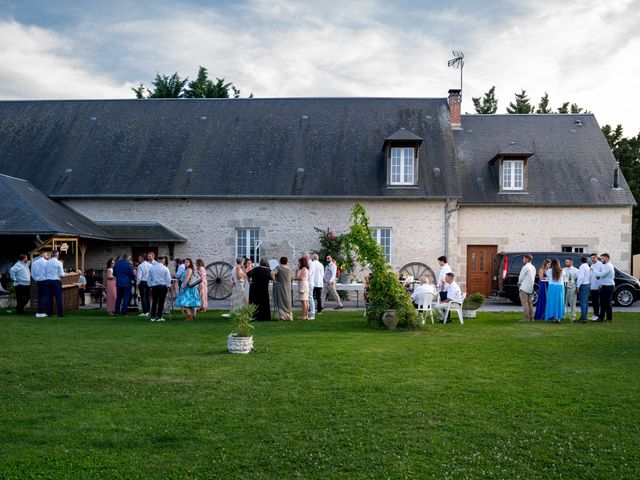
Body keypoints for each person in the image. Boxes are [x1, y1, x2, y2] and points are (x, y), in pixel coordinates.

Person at [149, 256, 171, 322]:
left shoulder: (152, 268)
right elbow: (168, 279)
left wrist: (150, 285)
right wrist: (168, 286)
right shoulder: (165, 268)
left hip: (154, 286)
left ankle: (153, 317)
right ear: (163, 261)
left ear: (158, 260)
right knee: (161, 302)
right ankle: (159, 317)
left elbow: (149, 278)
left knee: (154, 301)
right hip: (162, 286)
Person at [45, 250, 65, 317]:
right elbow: (61, 274)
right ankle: (60, 313)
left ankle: (49, 312)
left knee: (49, 297)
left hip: (48, 281)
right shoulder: (59, 262)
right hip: (56, 281)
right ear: (57, 255)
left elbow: (45, 271)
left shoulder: (47, 262)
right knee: (58, 298)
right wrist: (64, 274)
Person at [596, 253, 615, 322]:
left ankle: (609, 319)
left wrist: (593, 270)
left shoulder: (609, 266)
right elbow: (601, 276)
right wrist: (600, 284)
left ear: (606, 258)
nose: (601, 260)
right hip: (603, 286)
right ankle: (601, 318)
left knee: (607, 303)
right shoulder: (605, 266)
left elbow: (602, 274)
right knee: (602, 303)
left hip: (609, 287)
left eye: (602, 258)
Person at [517, 254, 536, 322]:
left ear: (527, 259)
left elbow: (521, 277)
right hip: (530, 287)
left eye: (524, 258)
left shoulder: (525, 267)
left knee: (525, 303)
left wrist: (519, 283)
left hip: (524, 287)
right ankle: (532, 318)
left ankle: (527, 318)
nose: (523, 260)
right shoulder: (533, 267)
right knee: (530, 303)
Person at [31, 251, 49, 318]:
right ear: (44, 255)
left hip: (38, 281)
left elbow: (32, 274)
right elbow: (48, 272)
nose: (47, 256)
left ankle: (42, 312)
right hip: (45, 280)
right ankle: (40, 312)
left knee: (40, 296)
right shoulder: (46, 263)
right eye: (47, 254)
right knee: (44, 297)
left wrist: (36, 279)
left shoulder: (34, 263)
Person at [576, 256, 591, 323]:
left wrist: (577, 286)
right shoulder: (588, 267)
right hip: (588, 284)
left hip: (583, 285)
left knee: (582, 302)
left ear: (581, 261)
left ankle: (583, 318)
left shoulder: (582, 266)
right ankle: (584, 316)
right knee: (585, 302)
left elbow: (581, 277)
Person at [589, 253, 602, 321]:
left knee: (597, 301)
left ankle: (597, 315)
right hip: (592, 286)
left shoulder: (600, 264)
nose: (592, 259)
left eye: (593, 258)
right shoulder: (592, 265)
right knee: (593, 301)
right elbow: (591, 275)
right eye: (591, 258)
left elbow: (601, 275)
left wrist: (600, 284)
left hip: (598, 286)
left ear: (596, 257)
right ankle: (595, 314)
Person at [304, 254, 316, 320]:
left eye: (305, 257)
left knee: (310, 297)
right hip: (306, 282)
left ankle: (312, 314)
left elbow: (309, 274)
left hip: (310, 283)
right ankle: (305, 314)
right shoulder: (306, 264)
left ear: (307, 257)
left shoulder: (312, 264)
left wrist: (303, 272)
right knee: (306, 298)